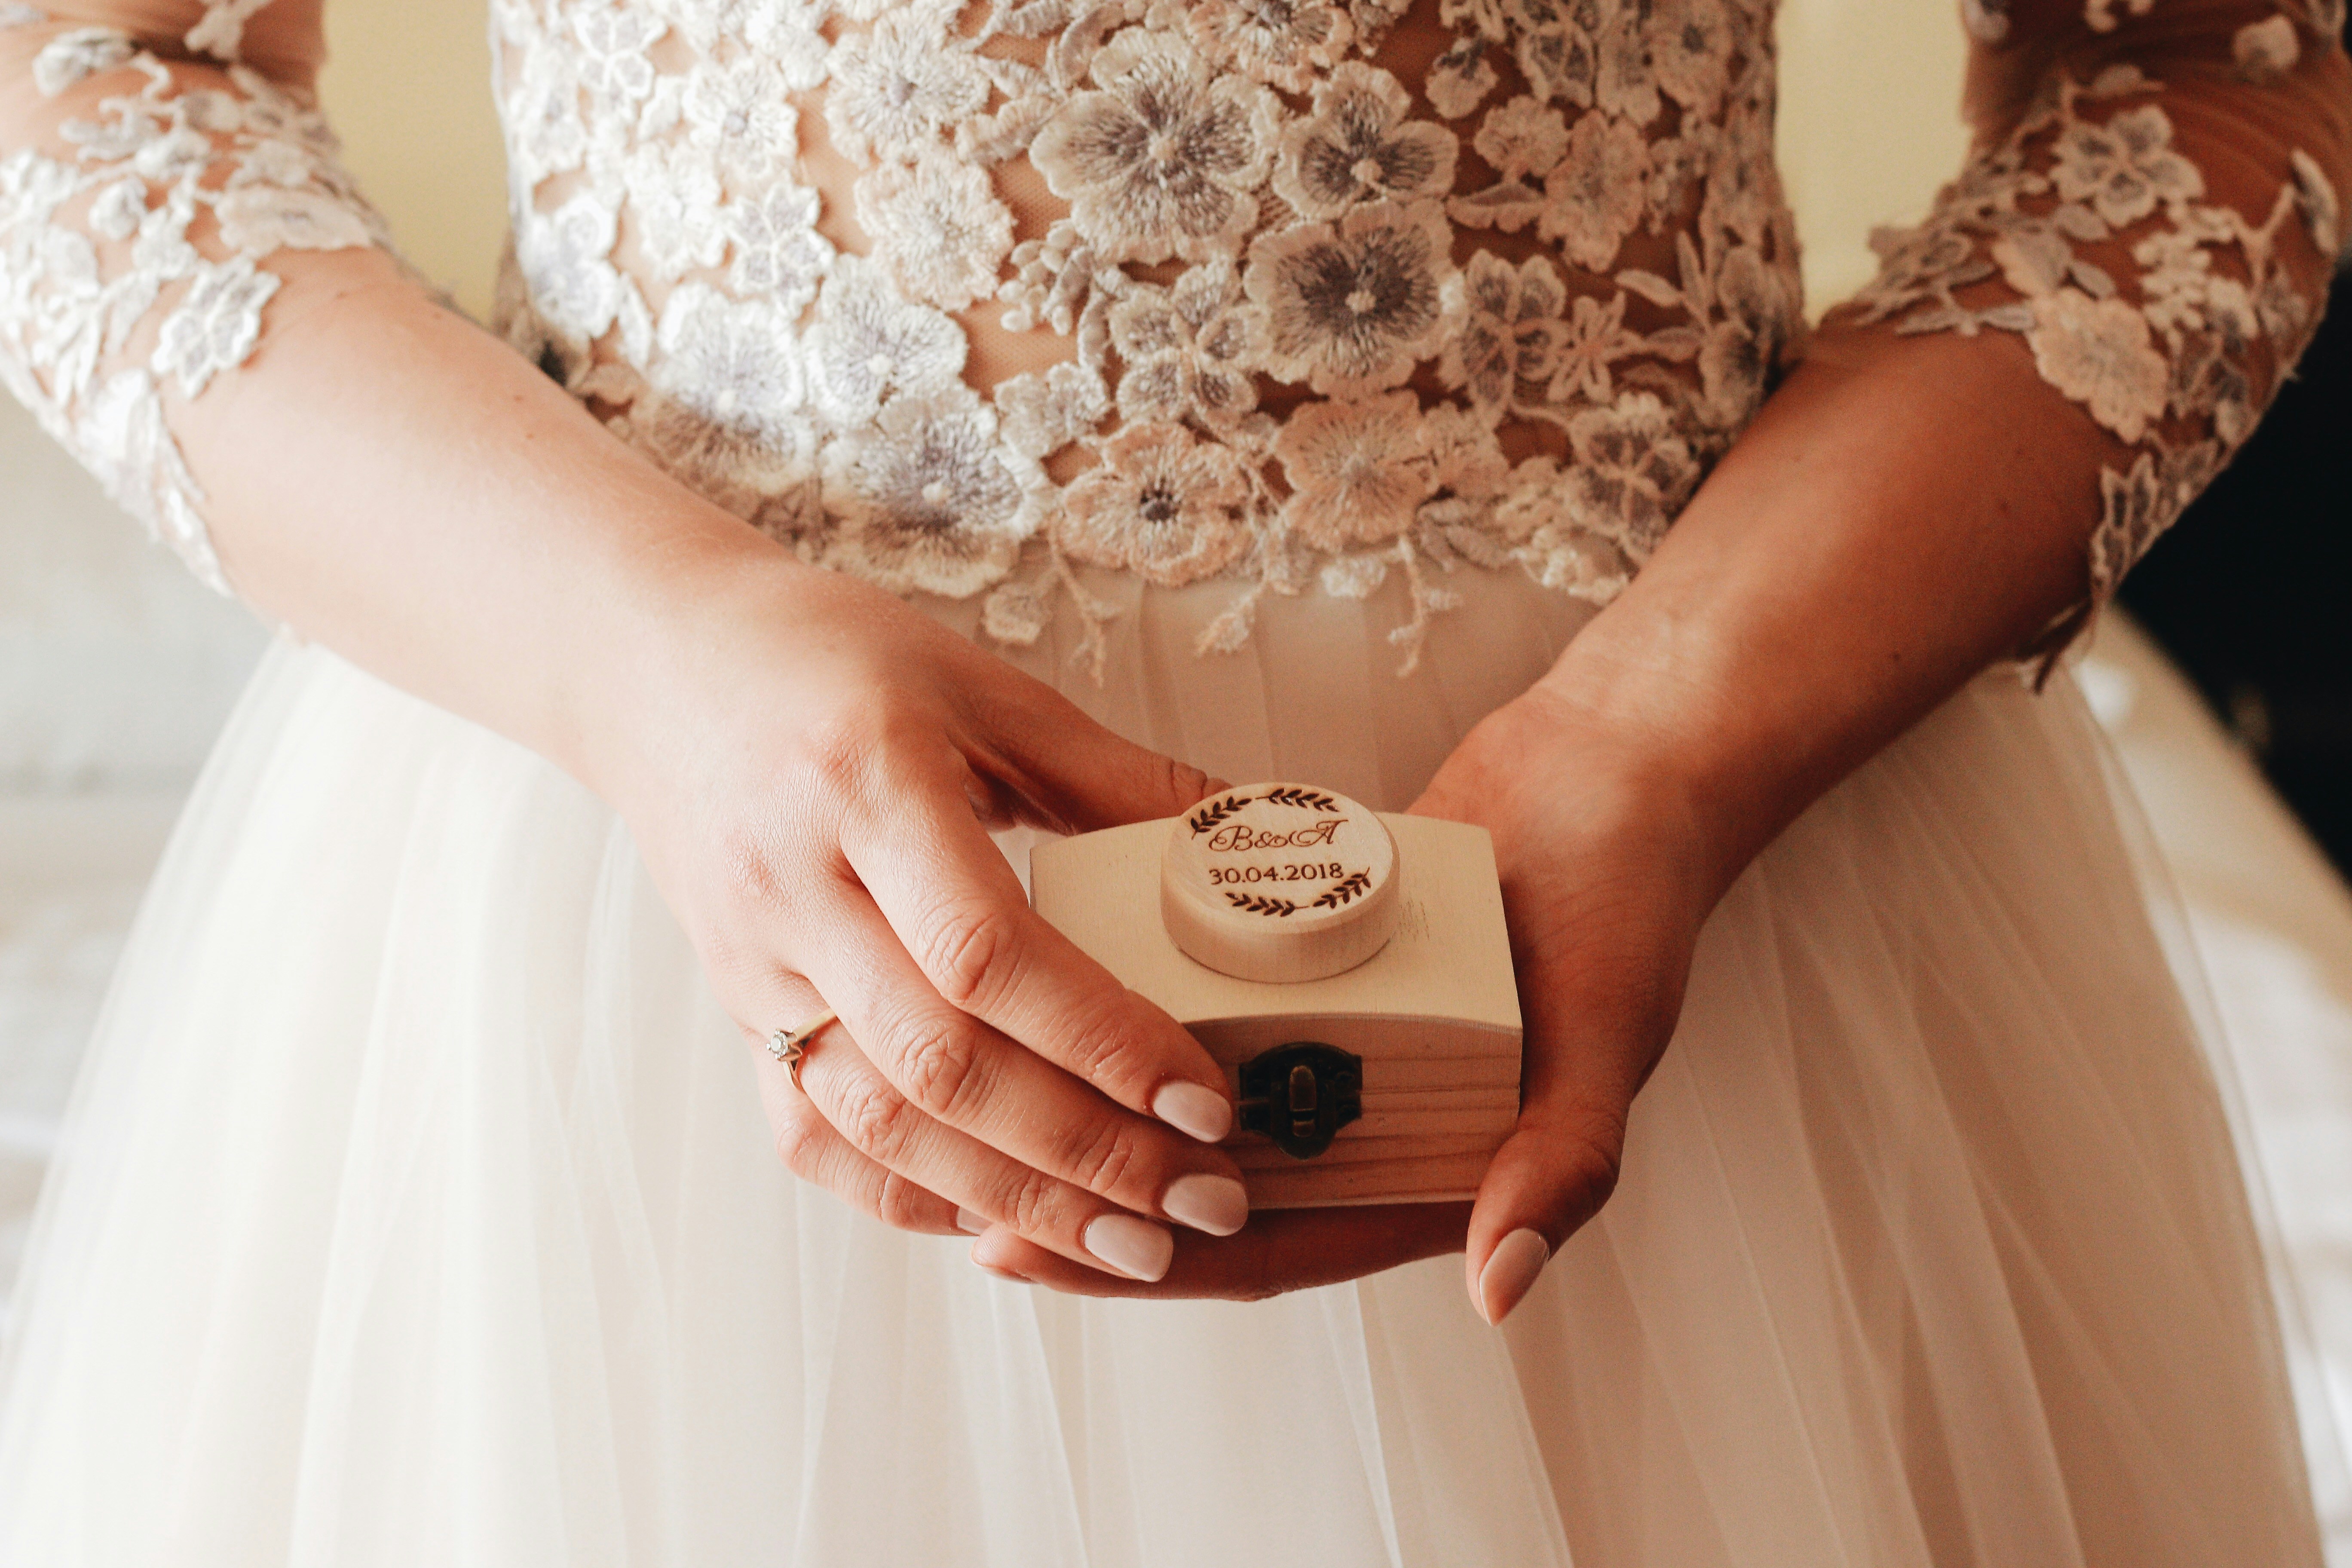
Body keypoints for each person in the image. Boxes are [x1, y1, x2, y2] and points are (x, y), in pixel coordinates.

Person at [0, 0, 2344, 1558]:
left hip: (1695, 841)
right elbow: (93, 71)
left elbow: (2208, 73)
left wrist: (1669, 737)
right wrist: (648, 656)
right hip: (681, 848)